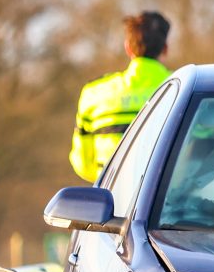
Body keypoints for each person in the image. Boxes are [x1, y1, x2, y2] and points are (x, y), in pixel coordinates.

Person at [70, 11, 173, 182]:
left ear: (128, 48)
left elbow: (83, 164)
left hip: (111, 199)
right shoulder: (184, 89)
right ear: (165, 49)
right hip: (167, 199)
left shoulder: (93, 93)